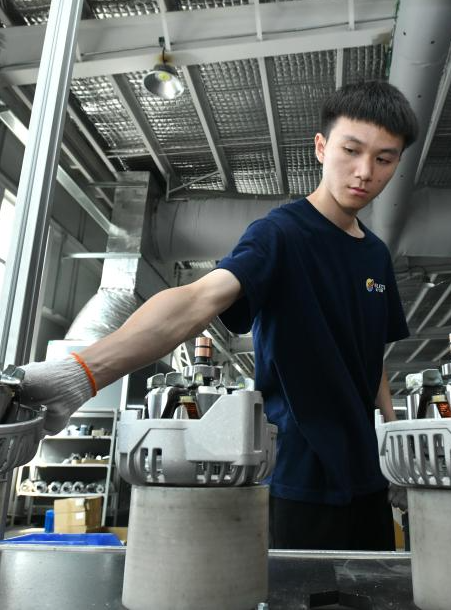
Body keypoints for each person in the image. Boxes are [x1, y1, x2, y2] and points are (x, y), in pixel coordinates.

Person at [22, 80, 418, 550]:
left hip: (369, 478)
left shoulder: (375, 255)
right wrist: (83, 373)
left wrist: (394, 446)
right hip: (299, 477)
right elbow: (197, 300)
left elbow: (371, 360)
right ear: (321, 147)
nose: (364, 172)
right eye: (351, 150)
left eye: (384, 159)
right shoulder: (281, 234)